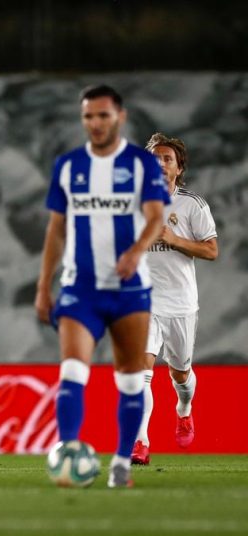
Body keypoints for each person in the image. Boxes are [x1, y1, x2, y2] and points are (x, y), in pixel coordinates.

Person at [34, 85, 169, 488]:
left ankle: (122, 464)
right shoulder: (69, 166)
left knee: (129, 380)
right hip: (81, 289)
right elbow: (56, 230)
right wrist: (44, 286)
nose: (95, 123)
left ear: (120, 118)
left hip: (130, 291)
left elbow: (156, 217)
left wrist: (136, 251)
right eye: (89, 117)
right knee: (72, 372)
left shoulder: (141, 165)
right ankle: (69, 454)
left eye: (103, 116)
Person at [131, 134, 218, 465]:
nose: (161, 164)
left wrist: (173, 238)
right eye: (155, 158)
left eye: (168, 158)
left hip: (181, 303)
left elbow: (211, 250)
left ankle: (184, 408)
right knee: (142, 371)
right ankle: (141, 442)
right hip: (144, 301)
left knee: (180, 374)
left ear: (179, 168)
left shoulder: (192, 205)